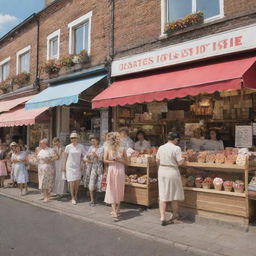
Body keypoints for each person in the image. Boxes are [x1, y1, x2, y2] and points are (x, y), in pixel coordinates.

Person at [156, 132, 185, 226]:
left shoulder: (161, 147)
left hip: (162, 170)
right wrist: (184, 158)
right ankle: (174, 216)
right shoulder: (176, 148)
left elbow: (157, 160)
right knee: (174, 196)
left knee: (162, 195)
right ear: (175, 139)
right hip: (172, 171)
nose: (178, 141)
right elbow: (180, 163)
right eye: (177, 140)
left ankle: (162, 217)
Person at [104, 132, 128, 221]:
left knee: (119, 189)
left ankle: (117, 209)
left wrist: (120, 160)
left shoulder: (122, 148)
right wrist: (113, 161)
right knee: (112, 189)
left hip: (120, 170)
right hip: (112, 170)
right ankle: (114, 210)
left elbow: (127, 162)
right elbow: (105, 160)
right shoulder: (107, 148)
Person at [64, 132, 86, 205]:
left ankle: (76, 195)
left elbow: (84, 155)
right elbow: (65, 157)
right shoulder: (68, 147)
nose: (73, 139)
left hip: (78, 166)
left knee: (77, 183)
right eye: (72, 138)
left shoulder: (81, 146)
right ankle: (72, 197)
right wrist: (64, 166)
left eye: (75, 138)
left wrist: (82, 163)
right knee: (71, 182)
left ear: (77, 139)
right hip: (69, 166)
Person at [83, 136, 104, 206]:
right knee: (91, 183)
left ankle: (98, 198)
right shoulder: (91, 148)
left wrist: (96, 155)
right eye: (91, 141)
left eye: (94, 141)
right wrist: (88, 157)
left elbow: (101, 159)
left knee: (99, 183)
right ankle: (92, 200)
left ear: (97, 141)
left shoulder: (102, 148)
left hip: (99, 167)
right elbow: (87, 157)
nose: (92, 143)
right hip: (92, 167)